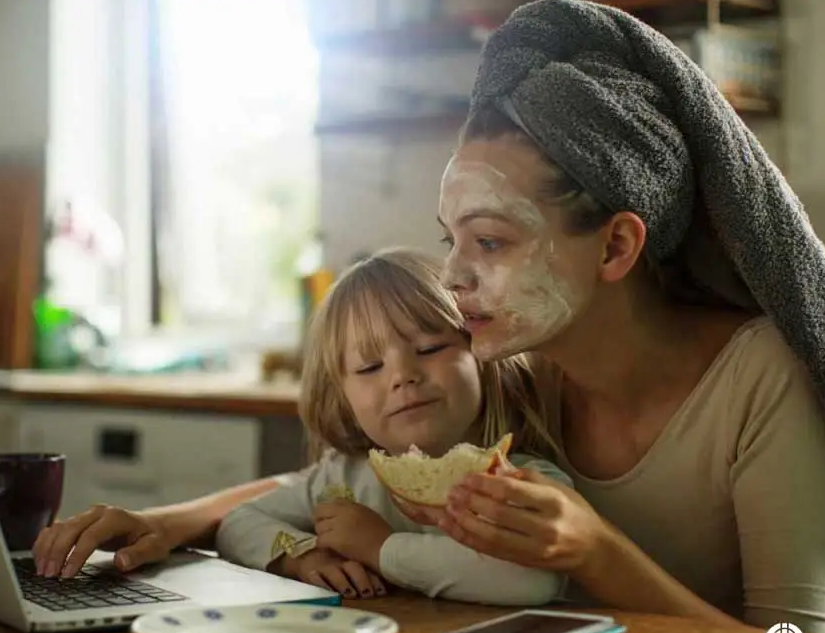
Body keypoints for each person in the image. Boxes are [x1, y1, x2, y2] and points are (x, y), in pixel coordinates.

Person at [34, 0, 825, 633]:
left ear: (616, 245)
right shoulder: (519, 377)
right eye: (451, 238)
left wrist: (601, 555)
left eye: (490, 242)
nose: (453, 277)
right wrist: (168, 522)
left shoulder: (761, 380)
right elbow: (322, 483)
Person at [213, 248, 569, 606]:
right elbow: (239, 523)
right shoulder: (343, 480)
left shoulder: (521, 479)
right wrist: (304, 556)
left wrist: (380, 548)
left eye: (430, 348)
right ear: (342, 398)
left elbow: (531, 580)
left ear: (482, 356)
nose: (403, 376)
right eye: (370, 367)